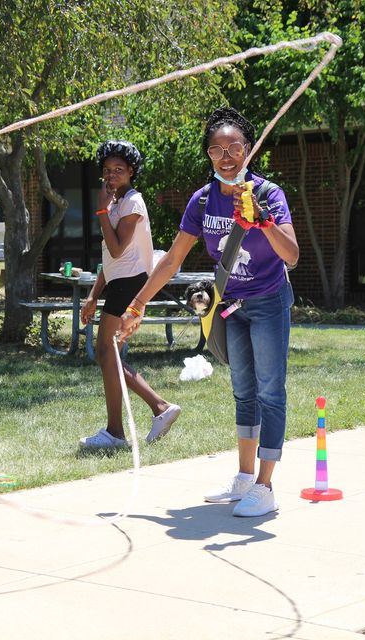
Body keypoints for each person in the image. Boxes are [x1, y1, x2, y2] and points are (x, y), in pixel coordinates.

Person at [119, 107, 298, 517]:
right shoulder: (203, 200)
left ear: (249, 150)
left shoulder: (268, 194)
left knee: (270, 391)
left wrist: (264, 222)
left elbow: (292, 255)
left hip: (269, 301)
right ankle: (244, 477)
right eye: (217, 149)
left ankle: (266, 486)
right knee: (243, 391)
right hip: (230, 306)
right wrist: (137, 303)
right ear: (209, 156)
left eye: (235, 147)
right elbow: (172, 260)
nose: (227, 156)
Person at [78, 141, 181, 449]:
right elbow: (110, 260)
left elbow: (118, 247)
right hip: (118, 282)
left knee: (105, 352)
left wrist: (99, 210)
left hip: (131, 283)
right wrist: (94, 295)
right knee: (106, 354)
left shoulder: (132, 203)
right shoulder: (116, 203)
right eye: (107, 171)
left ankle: (121, 430)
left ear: (132, 172)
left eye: (119, 170)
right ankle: (154, 410)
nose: (112, 176)